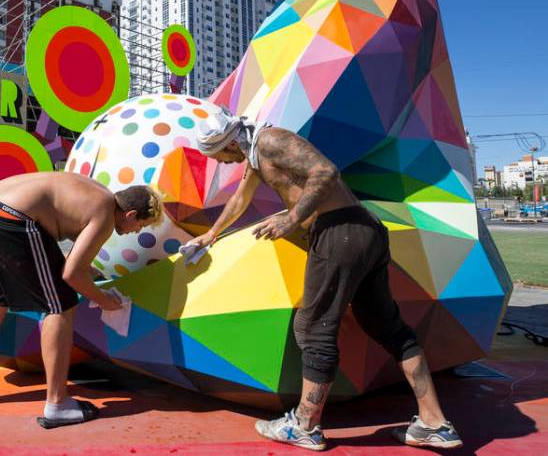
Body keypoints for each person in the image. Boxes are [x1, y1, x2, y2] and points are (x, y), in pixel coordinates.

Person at [187, 109, 461, 451]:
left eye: (219, 156)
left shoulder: (272, 140)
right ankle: (434, 423)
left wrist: (292, 218)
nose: (223, 163)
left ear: (227, 142)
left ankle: (305, 425)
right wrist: (211, 234)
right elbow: (241, 199)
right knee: (387, 327)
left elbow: (325, 172)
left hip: (339, 232)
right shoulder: (257, 156)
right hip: (361, 232)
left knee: (313, 327)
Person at [0, 172, 163, 429]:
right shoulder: (105, 214)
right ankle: (58, 403)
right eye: (142, 225)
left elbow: (72, 244)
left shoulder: (98, 194)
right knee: (61, 304)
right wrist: (104, 299)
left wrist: (89, 272)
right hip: (16, 220)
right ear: (130, 215)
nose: (136, 232)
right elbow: (71, 274)